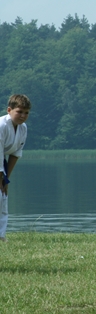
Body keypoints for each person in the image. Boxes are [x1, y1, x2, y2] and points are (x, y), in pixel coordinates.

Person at [1, 94, 31, 242]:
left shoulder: (23, 128)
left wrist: (6, 179)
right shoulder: (1, 126)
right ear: (9, 110)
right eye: (19, 111)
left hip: (2, 161)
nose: (23, 115)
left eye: (26, 112)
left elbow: (15, 154)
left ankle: (1, 236)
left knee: (3, 197)